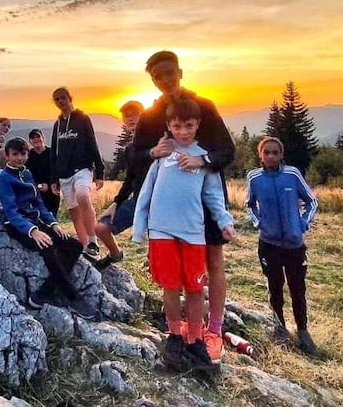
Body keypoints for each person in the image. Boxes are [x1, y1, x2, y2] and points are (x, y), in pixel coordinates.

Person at [133, 50, 235, 364]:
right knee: (174, 278)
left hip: (205, 197)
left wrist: (202, 161)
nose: (165, 80)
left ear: (180, 71)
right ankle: (180, 334)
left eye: (170, 73)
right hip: (169, 207)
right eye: (158, 76)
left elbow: (227, 151)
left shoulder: (204, 107)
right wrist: (152, 151)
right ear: (152, 80)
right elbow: (135, 158)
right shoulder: (151, 116)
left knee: (213, 263)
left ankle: (213, 331)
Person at [0, 137, 96, 320]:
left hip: (37, 222)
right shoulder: (4, 178)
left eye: (23, 154)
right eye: (15, 154)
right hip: (18, 225)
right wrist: (33, 231)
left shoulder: (27, 174)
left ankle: (43, 292)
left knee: (75, 245)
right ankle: (73, 298)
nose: (20, 158)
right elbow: (11, 213)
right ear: (7, 155)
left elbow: (39, 204)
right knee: (48, 247)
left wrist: (54, 224)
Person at [246, 137, 318, 356]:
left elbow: (311, 201)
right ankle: (280, 327)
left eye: (275, 152)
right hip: (269, 244)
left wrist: (304, 222)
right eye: (266, 152)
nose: (270, 156)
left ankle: (303, 332)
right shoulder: (254, 178)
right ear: (260, 155)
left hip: (295, 244)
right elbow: (249, 204)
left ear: (281, 154)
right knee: (274, 286)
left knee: (298, 288)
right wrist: (258, 222)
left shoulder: (292, 174)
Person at [49, 87, 105, 262]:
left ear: (70, 98)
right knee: (73, 210)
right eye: (56, 99)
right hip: (63, 173)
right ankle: (85, 247)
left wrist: (100, 170)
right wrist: (53, 178)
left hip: (82, 168)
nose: (60, 102)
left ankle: (93, 241)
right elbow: (54, 153)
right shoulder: (57, 125)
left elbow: (92, 142)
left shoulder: (82, 119)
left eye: (63, 98)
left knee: (83, 196)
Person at [94, 100, 145, 270]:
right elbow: (130, 179)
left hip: (162, 203)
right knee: (101, 227)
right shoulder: (129, 149)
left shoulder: (160, 143)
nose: (130, 119)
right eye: (126, 116)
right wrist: (116, 202)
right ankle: (115, 254)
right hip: (138, 201)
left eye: (134, 115)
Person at [26, 128, 60, 217]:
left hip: (52, 192)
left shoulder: (53, 153)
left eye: (38, 136)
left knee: (51, 217)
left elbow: (58, 171)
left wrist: (49, 184)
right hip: (34, 192)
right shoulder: (27, 156)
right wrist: (37, 185)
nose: (36, 139)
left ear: (43, 138)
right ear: (29, 141)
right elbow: (26, 174)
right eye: (33, 138)